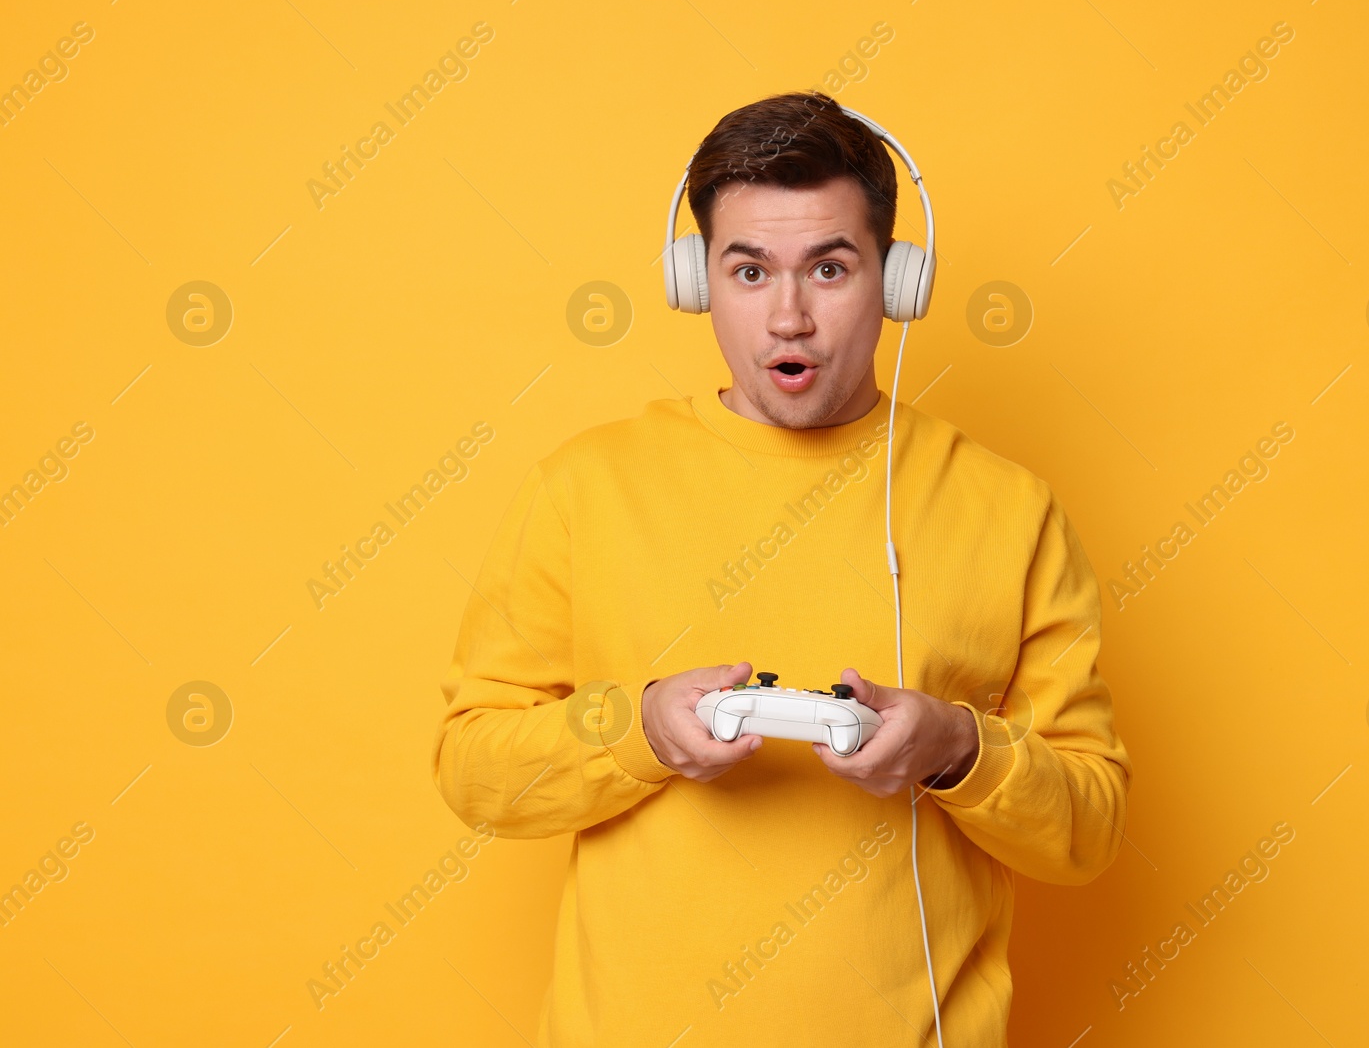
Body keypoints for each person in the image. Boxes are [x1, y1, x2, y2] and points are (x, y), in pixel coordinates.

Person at [432, 89, 1131, 1047]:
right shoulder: (582, 489)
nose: (790, 316)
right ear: (696, 279)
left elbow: (1088, 831)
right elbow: (473, 771)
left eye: (830, 269)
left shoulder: (1009, 510)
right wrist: (638, 731)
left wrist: (958, 749)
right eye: (750, 270)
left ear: (895, 281)